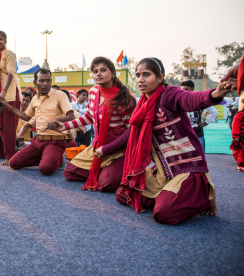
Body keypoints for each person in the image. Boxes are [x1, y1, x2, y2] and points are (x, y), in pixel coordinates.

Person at [97, 57, 231, 225]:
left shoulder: (169, 94)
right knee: (124, 194)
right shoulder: (142, 105)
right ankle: (171, 195)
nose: (140, 80)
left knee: (164, 214)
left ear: (159, 78)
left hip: (186, 169)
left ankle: (203, 194)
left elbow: (190, 100)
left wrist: (216, 94)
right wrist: (105, 150)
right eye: (138, 75)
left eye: (147, 75)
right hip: (163, 171)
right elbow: (129, 134)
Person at [50, 57, 135, 192]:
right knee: (70, 172)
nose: (98, 74)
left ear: (113, 73)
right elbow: (90, 116)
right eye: (95, 71)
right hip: (97, 146)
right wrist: (66, 126)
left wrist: (108, 150)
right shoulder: (94, 91)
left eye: (103, 70)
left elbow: (131, 132)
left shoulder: (124, 98)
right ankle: (104, 170)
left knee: (107, 184)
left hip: (118, 150)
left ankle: (113, 170)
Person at [0, 68, 77, 175]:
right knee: (13, 163)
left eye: (48, 80)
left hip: (55, 142)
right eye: (41, 80)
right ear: (35, 82)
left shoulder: (60, 95)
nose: (45, 84)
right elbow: (26, 116)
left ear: (51, 81)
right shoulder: (35, 98)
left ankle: (58, 159)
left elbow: (71, 115)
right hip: (38, 141)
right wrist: (8, 106)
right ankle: (47, 157)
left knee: (45, 169)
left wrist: (57, 120)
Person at [0, 31, 23, 165]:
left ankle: (10, 156)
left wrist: (3, 91)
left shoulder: (9, 54)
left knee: (8, 127)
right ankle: (1, 152)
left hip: (8, 95)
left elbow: (10, 73)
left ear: (5, 41)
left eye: (0, 39)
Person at [180, 80, 218, 152]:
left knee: (202, 157)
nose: (184, 92)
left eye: (186, 89)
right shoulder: (179, 100)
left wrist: (205, 123)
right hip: (184, 136)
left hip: (198, 134)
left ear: (192, 89)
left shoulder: (198, 99)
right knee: (186, 159)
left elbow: (214, 112)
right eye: (182, 90)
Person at [230, 97, 244, 172]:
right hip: (242, 137)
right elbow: (235, 126)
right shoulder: (239, 115)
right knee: (242, 151)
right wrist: (236, 137)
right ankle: (241, 165)